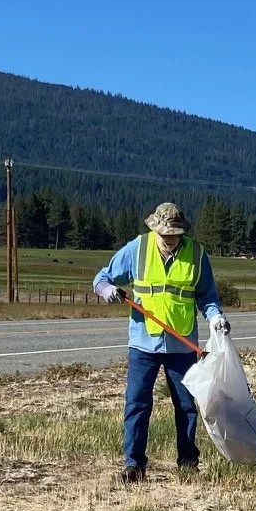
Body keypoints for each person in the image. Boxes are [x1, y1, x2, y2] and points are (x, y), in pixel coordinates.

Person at [92, 202, 227, 483]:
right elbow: (100, 278)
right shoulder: (137, 249)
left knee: (187, 405)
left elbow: (208, 297)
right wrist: (108, 291)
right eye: (166, 234)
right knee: (137, 403)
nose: (170, 239)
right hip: (143, 343)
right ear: (155, 228)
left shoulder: (197, 254)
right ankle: (134, 466)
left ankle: (188, 463)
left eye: (175, 234)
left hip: (182, 344)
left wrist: (215, 317)